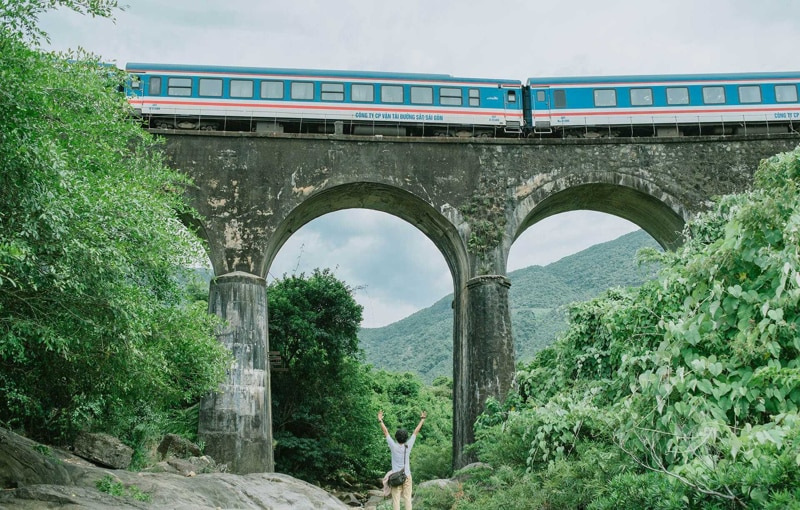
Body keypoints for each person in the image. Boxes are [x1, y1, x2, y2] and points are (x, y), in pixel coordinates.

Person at [378, 409, 426, 510]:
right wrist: (422, 419)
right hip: (407, 476)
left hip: (395, 477)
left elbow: (386, 432)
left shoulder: (393, 446)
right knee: (408, 499)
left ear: (396, 437)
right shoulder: (408, 446)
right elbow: (415, 432)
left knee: (396, 500)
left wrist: (380, 420)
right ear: (406, 438)